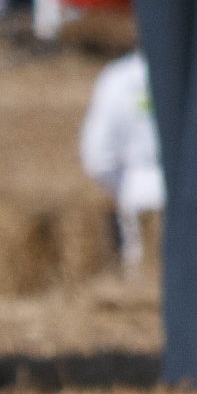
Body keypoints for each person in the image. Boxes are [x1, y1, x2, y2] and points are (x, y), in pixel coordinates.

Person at [79, 50, 163, 270]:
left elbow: (97, 157)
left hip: (139, 190)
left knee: (144, 271)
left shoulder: (119, 78)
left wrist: (128, 186)